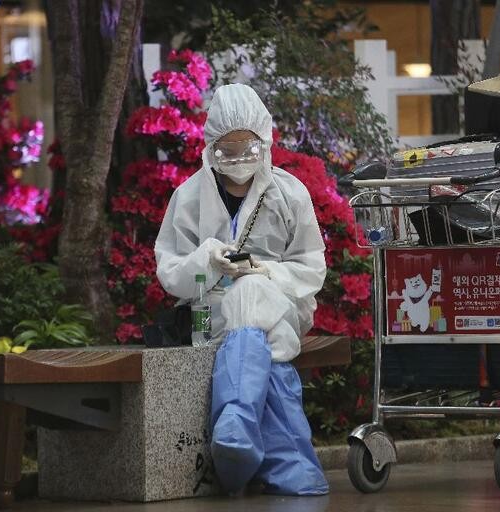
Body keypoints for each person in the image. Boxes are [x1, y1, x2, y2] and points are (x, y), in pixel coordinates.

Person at [154, 84, 328, 496]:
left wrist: (263, 272)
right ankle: (291, 466)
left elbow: (311, 266)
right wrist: (207, 259)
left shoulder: (289, 193)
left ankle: (235, 427)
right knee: (260, 337)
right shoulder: (189, 197)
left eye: (246, 148)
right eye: (226, 150)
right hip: (211, 312)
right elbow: (172, 272)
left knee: (250, 294)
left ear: (264, 141)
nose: (237, 160)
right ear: (210, 146)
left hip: (283, 304)